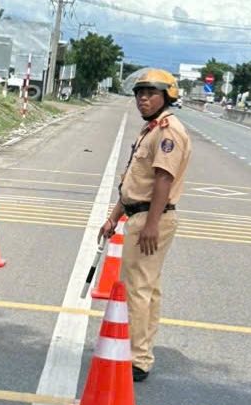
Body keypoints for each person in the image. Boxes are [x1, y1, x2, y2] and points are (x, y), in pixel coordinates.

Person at [100, 69, 192, 382]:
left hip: (151, 218)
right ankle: (140, 354)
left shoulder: (167, 131)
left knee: (137, 289)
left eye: (151, 93)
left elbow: (163, 178)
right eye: (140, 93)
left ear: (167, 96)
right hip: (140, 214)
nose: (144, 99)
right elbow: (134, 182)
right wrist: (114, 217)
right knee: (147, 289)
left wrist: (152, 223)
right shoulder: (151, 129)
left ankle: (136, 358)